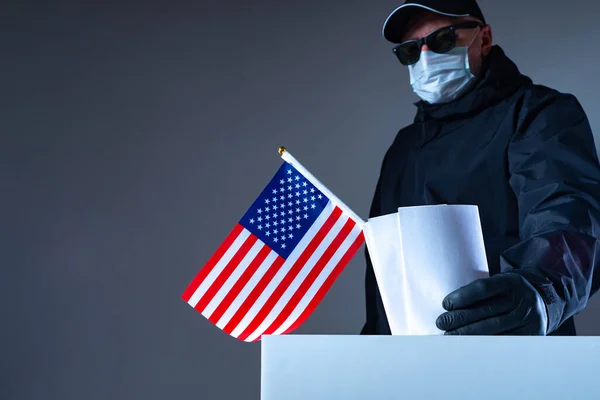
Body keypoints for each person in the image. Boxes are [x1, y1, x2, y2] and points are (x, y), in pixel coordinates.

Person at [361, 0, 600, 336]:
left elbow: (566, 217)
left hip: (511, 354)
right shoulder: (405, 148)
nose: (426, 57)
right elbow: (384, 271)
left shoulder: (538, 115)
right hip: (408, 371)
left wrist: (541, 291)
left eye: (443, 40)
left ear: (484, 39)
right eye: (411, 51)